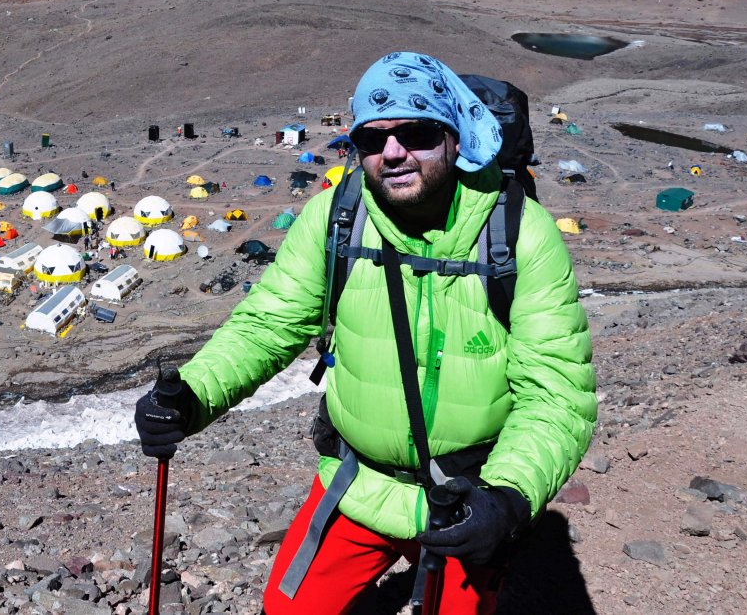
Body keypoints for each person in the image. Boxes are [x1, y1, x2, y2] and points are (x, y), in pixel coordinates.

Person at [135, 51, 596, 615]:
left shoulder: (519, 233)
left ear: (454, 138)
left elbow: (556, 392)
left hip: (468, 496)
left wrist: (507, 498)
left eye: (417, 132)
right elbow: (266, 326)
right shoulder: (336, 216)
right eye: (373, 140)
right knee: (287, 610)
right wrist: (193, 395)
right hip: (359, 486)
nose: (394, 152)